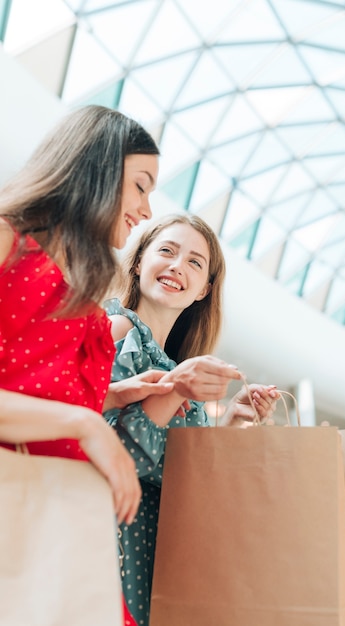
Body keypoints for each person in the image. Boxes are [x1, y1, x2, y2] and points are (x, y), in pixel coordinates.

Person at [0, 104, 180, 626]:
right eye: (141, 185)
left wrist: (112, 397)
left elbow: (29, 390)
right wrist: (84, 424)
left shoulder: (86, 300)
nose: (146, 210)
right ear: (97, 169)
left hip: (61, 535)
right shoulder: (8, 242)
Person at [103, 213, 279, 625]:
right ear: (139, 262)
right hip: (114, 544)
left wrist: (234, 419)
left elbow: (185, 475)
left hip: (161, 554)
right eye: (166, 250)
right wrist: (176, 389)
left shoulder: (180, 364)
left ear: (205, 290)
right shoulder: (116, 329)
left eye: (195, 262)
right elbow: (113, 453)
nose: (177, 266)